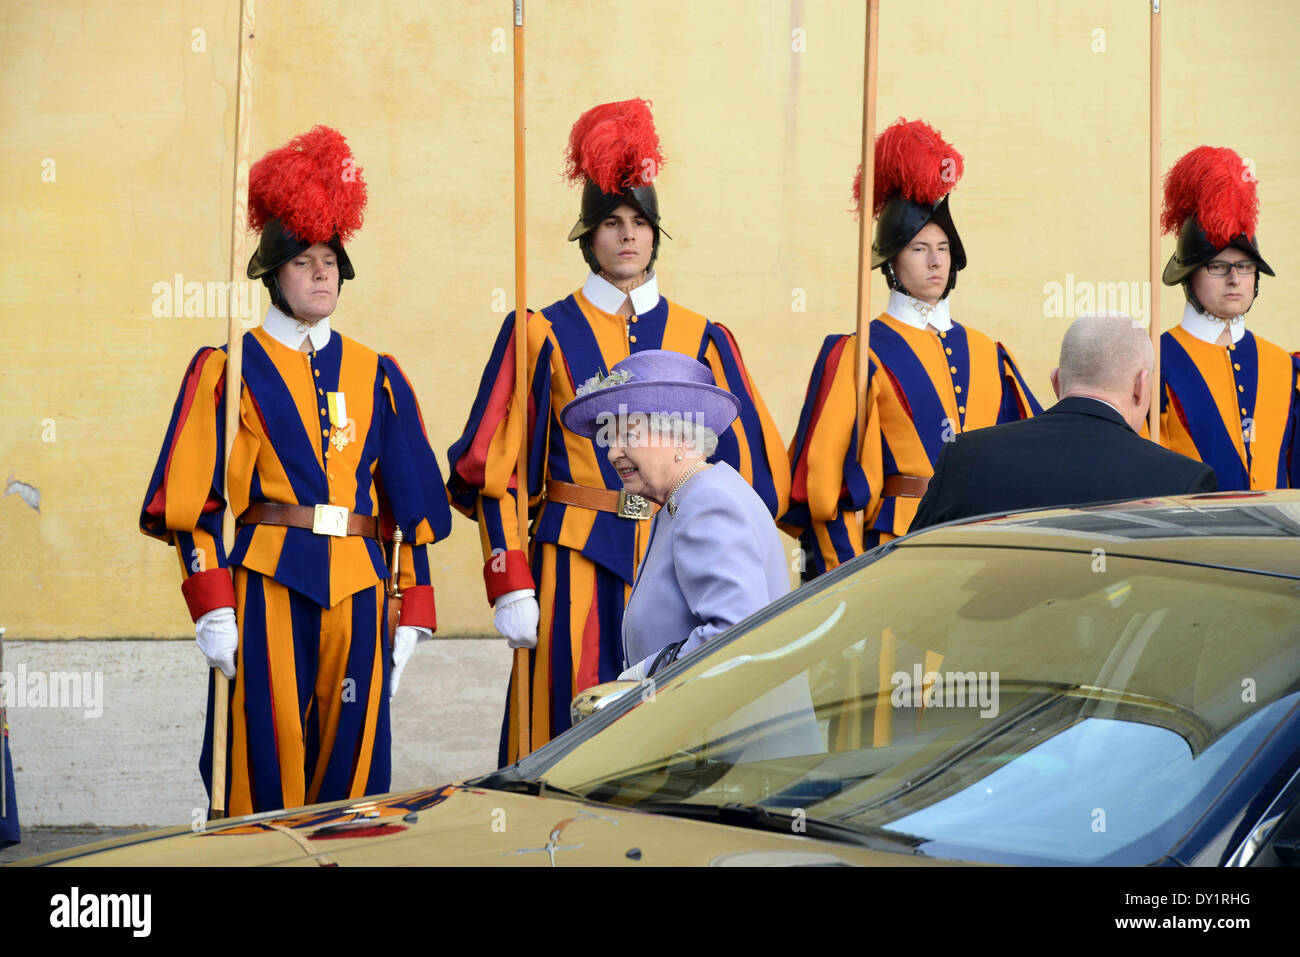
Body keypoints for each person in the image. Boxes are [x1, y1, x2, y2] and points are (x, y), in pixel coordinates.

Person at [448, 99, 790, 765]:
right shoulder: (539, 331)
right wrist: (508, 575)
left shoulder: (705, 336)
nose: (628, 235)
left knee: (665, 739)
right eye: (612, 222)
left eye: (640, 222)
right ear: (589, 235)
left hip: (681, 559)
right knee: (566, 737)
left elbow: (755, 473)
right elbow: (493, 468)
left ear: (655, 234)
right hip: (571, 562)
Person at [140, 126, 452, 815]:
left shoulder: (380, 373)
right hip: (266, 589)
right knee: (263, 765)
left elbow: (412, 506)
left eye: (330, 259)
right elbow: (194, 502)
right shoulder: (228, 368)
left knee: (356, 779)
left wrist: (413, 610)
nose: (321, 272)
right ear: (273, 272)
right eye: (304, 260)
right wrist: (211, 600)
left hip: (363, 589)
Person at [783, 118, 1040, 579]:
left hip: (987, 545)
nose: (936, 259)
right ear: (892, 260)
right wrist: (846, 580)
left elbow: (1030, 457)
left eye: (943, 247)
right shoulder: (860, 353)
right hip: (900, 547)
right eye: (920, 247)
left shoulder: (990, 352)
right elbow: (827, 487)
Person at [561, 351, 822, 760]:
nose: (612, 453)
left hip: (736, 763)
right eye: (609, 439)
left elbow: (733, 634)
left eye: (629, 435)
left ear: (682, 437)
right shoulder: (686, 497)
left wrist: (637, 683)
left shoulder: (707, 502)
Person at [910, 315, 1217, 530]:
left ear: (1056, 381)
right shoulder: (1182, 483)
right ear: (1141, 385)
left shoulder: (963, 455)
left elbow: (911, 569)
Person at [1157, 145, 1299, 490]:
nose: (1235, 278)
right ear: (1189, 276)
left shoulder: (1284, 366)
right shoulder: (1153, 361)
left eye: (1245, 267)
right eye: (1218, 266)